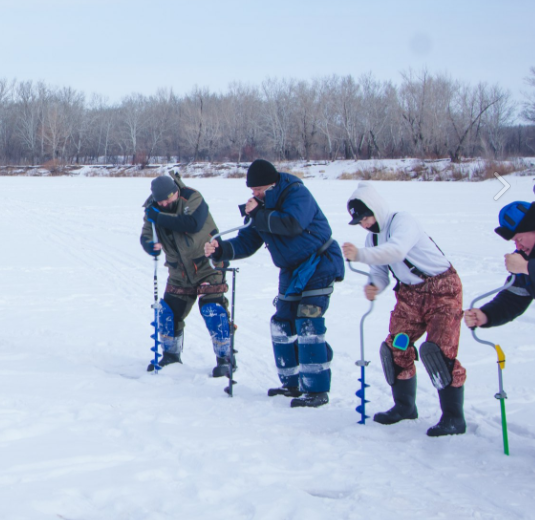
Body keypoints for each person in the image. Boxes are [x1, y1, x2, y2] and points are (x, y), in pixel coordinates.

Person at [204, 160, 344, 408]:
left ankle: (316, 390)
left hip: (320, 263)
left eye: (259, 189)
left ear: (274, 183)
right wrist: (220, 250)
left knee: (308, 322)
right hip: (291, 271)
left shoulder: (297, 193)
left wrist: (257, 213)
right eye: (253, 190)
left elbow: (292, 224)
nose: (255, 194)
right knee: (281, 323)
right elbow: (247, 243)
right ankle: (291, 384)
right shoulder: (262, 208)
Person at [343, 182, 466, 436]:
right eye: (360, 221)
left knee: (439, 352)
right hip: (410, 296)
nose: (364, 224)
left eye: (365, 217)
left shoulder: (403, 222)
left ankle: (454, 418)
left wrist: (362, 254)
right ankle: (404, 407)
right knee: (395, 347)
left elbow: (396, 250)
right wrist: (375, 285)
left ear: (376, 209)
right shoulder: (372, 237)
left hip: (442, 289)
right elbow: (380, 271)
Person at [140, 172, 232, 377]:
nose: (165, 204)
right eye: (161, 201)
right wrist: (150, 246)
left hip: (208, 265)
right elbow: (146, 234)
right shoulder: (152, 209)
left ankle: (225, 358)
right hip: (178, 270)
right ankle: (170, 356)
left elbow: (191, 224)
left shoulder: (192, 197)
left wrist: (160, 217)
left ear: (176, 192)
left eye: (169, 199)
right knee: (167, 313)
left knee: (213, 311)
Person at [464, 201, 535, 330]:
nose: (518, 247)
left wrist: (526, 267)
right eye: (514, 242)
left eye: (519, 239)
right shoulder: (524, 257)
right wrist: (486, 315)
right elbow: (513, 299)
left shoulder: (525, 264)